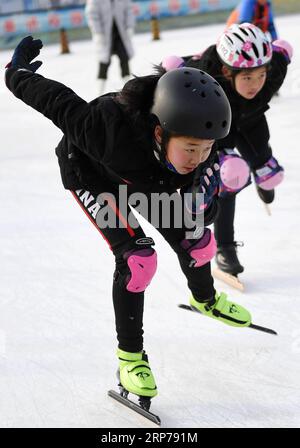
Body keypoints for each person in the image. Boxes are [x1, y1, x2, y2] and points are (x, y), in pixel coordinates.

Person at [5, 36, 254, 403]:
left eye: (206, 149)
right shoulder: (104, 129)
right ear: (159, 132)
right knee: (138, 260)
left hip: (147, 177)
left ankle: (205, 298)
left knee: (199, 244)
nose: (198, 158)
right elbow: (53, 100)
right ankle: (130, 359)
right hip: (92, 172)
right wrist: (17, 71)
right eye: (190, 149)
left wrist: (207, 199)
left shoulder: (197, 152)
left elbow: (203, 212)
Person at [163, 23, 292, 275]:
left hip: (252, 120)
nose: (255, 85)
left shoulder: (274, 68)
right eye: (246, 77)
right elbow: (175, 71)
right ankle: (225, 247)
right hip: (219, 126)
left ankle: (263, 179)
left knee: (271, 174)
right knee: (229, 175)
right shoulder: (205, 81)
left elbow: (283, 51)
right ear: (226, 71)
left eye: (260, 75)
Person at [85, 0, 135, 94]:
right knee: (103, 63)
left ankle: (129, 90)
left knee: (124, 60)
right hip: (105, 36)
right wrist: (97, 32)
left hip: (121, 35)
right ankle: (99, 92)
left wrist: (129, 26)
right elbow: (92, 15)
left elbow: (129, 11)